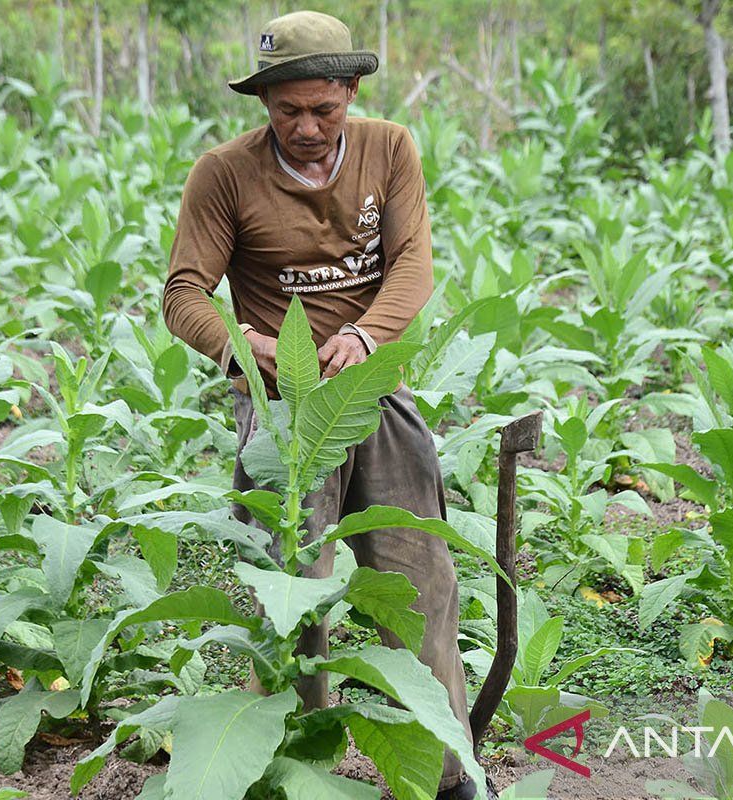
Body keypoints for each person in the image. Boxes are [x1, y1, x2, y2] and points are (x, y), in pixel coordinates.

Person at [162, 10, 494, 800]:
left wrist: (370, 337)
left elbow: (413, 263)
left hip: (374, 393)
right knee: (290, 593)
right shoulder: (223, 174)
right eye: (288, 112)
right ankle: (298, 774)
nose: (306, 127)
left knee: (418, 584)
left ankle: (442, 778)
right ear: (264, 103)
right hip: (283, 414)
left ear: (349, 91)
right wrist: (243, 347)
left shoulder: (390, 149)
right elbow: (183, 295)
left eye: (324, 109)